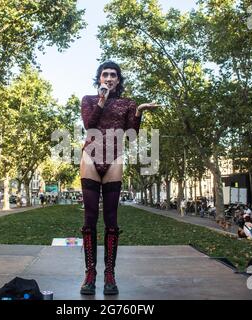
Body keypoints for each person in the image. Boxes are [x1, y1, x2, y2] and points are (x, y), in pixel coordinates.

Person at [79, 61, 159, 295]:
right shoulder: (88, 100)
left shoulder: (128, 104)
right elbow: (89, 124)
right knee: (90, 217)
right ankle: (90, 273)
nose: (109, 78)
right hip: (91, 157)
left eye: (113, 75)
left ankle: (110, 274)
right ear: (99, 79)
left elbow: (132, 136)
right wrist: (102, 100)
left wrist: (139, 112)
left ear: (118, 80)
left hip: (114, 157)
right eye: (105, 74)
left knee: (111, 218)